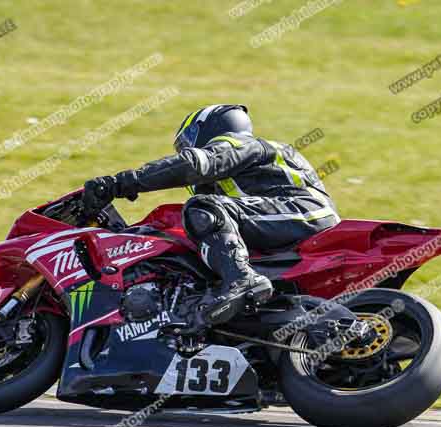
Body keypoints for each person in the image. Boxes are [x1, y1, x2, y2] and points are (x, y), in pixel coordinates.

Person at [82, 104, 339, 328]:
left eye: (186, 144)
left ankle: (243, 280)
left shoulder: (241, 144)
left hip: (304, 212)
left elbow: (197, 164)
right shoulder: (242, 176)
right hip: (284, 220)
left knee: (204, 208)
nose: (184, 151)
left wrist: (122, 183)